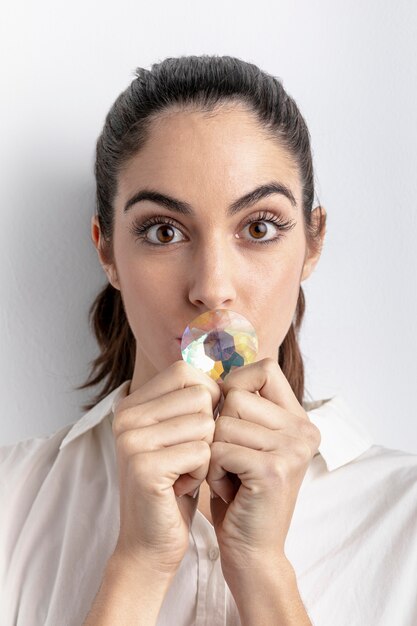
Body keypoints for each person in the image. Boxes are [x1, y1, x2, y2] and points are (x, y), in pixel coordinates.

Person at [1, 54, 416, 626]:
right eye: (163, 231)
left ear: (313, 243)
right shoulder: (10, 501)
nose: (212, 289)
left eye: (259, 228)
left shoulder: (405, 517)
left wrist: (262, 567)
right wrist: (139, 565)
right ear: (106, 251)